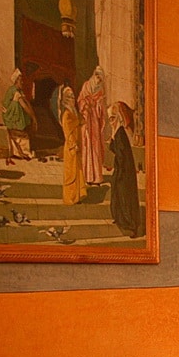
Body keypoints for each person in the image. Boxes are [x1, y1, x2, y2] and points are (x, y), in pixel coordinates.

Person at [108, 101, 141, 237]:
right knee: (117, 194)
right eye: (109, 119)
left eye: (112, 118)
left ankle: (131, 225)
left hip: (124, 170)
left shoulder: (120, 133)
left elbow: (120, 154)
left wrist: (119, 172)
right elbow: (114, 149)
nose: (111, 122)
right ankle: (120, 218)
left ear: (118, 118)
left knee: (124, 197)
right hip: (121, 167)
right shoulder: (117, 132)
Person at [78, 66, 107, 185]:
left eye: (101, 78)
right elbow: (80, 101)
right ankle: (87, 176)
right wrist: (86, 105)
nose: (99, 80)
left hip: (95, 121)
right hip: (87, 120)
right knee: (87, 146)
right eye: (97, 77)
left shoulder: (100, 90)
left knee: (95, 148)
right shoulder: (86, 86)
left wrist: (99, 105)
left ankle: (96, 177)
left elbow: (101, 108)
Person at [58, 84, 87, 205]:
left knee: (77, 171)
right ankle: (70, 198)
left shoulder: (73, 111)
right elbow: (67, 132)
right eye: (70, 97)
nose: (72, 99)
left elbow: (81, 121)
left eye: (73, 96)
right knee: (71, 173)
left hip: (77, 144)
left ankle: (77, 197)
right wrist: (73, 144)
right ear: (65, 98)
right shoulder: (67, 114)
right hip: (71, 146)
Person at [0, 68, 36, 164]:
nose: (22, 82)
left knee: (21, 130)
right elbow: (23, 106)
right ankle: (20, 152)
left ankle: (22, 152)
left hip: (15, 114)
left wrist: (33, 116)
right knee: (18, 131)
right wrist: (33, 117)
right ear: (16, 81)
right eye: (20, 80)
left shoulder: (19, 91)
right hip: (10, 114)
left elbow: (26, 103)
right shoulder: (14, 91)